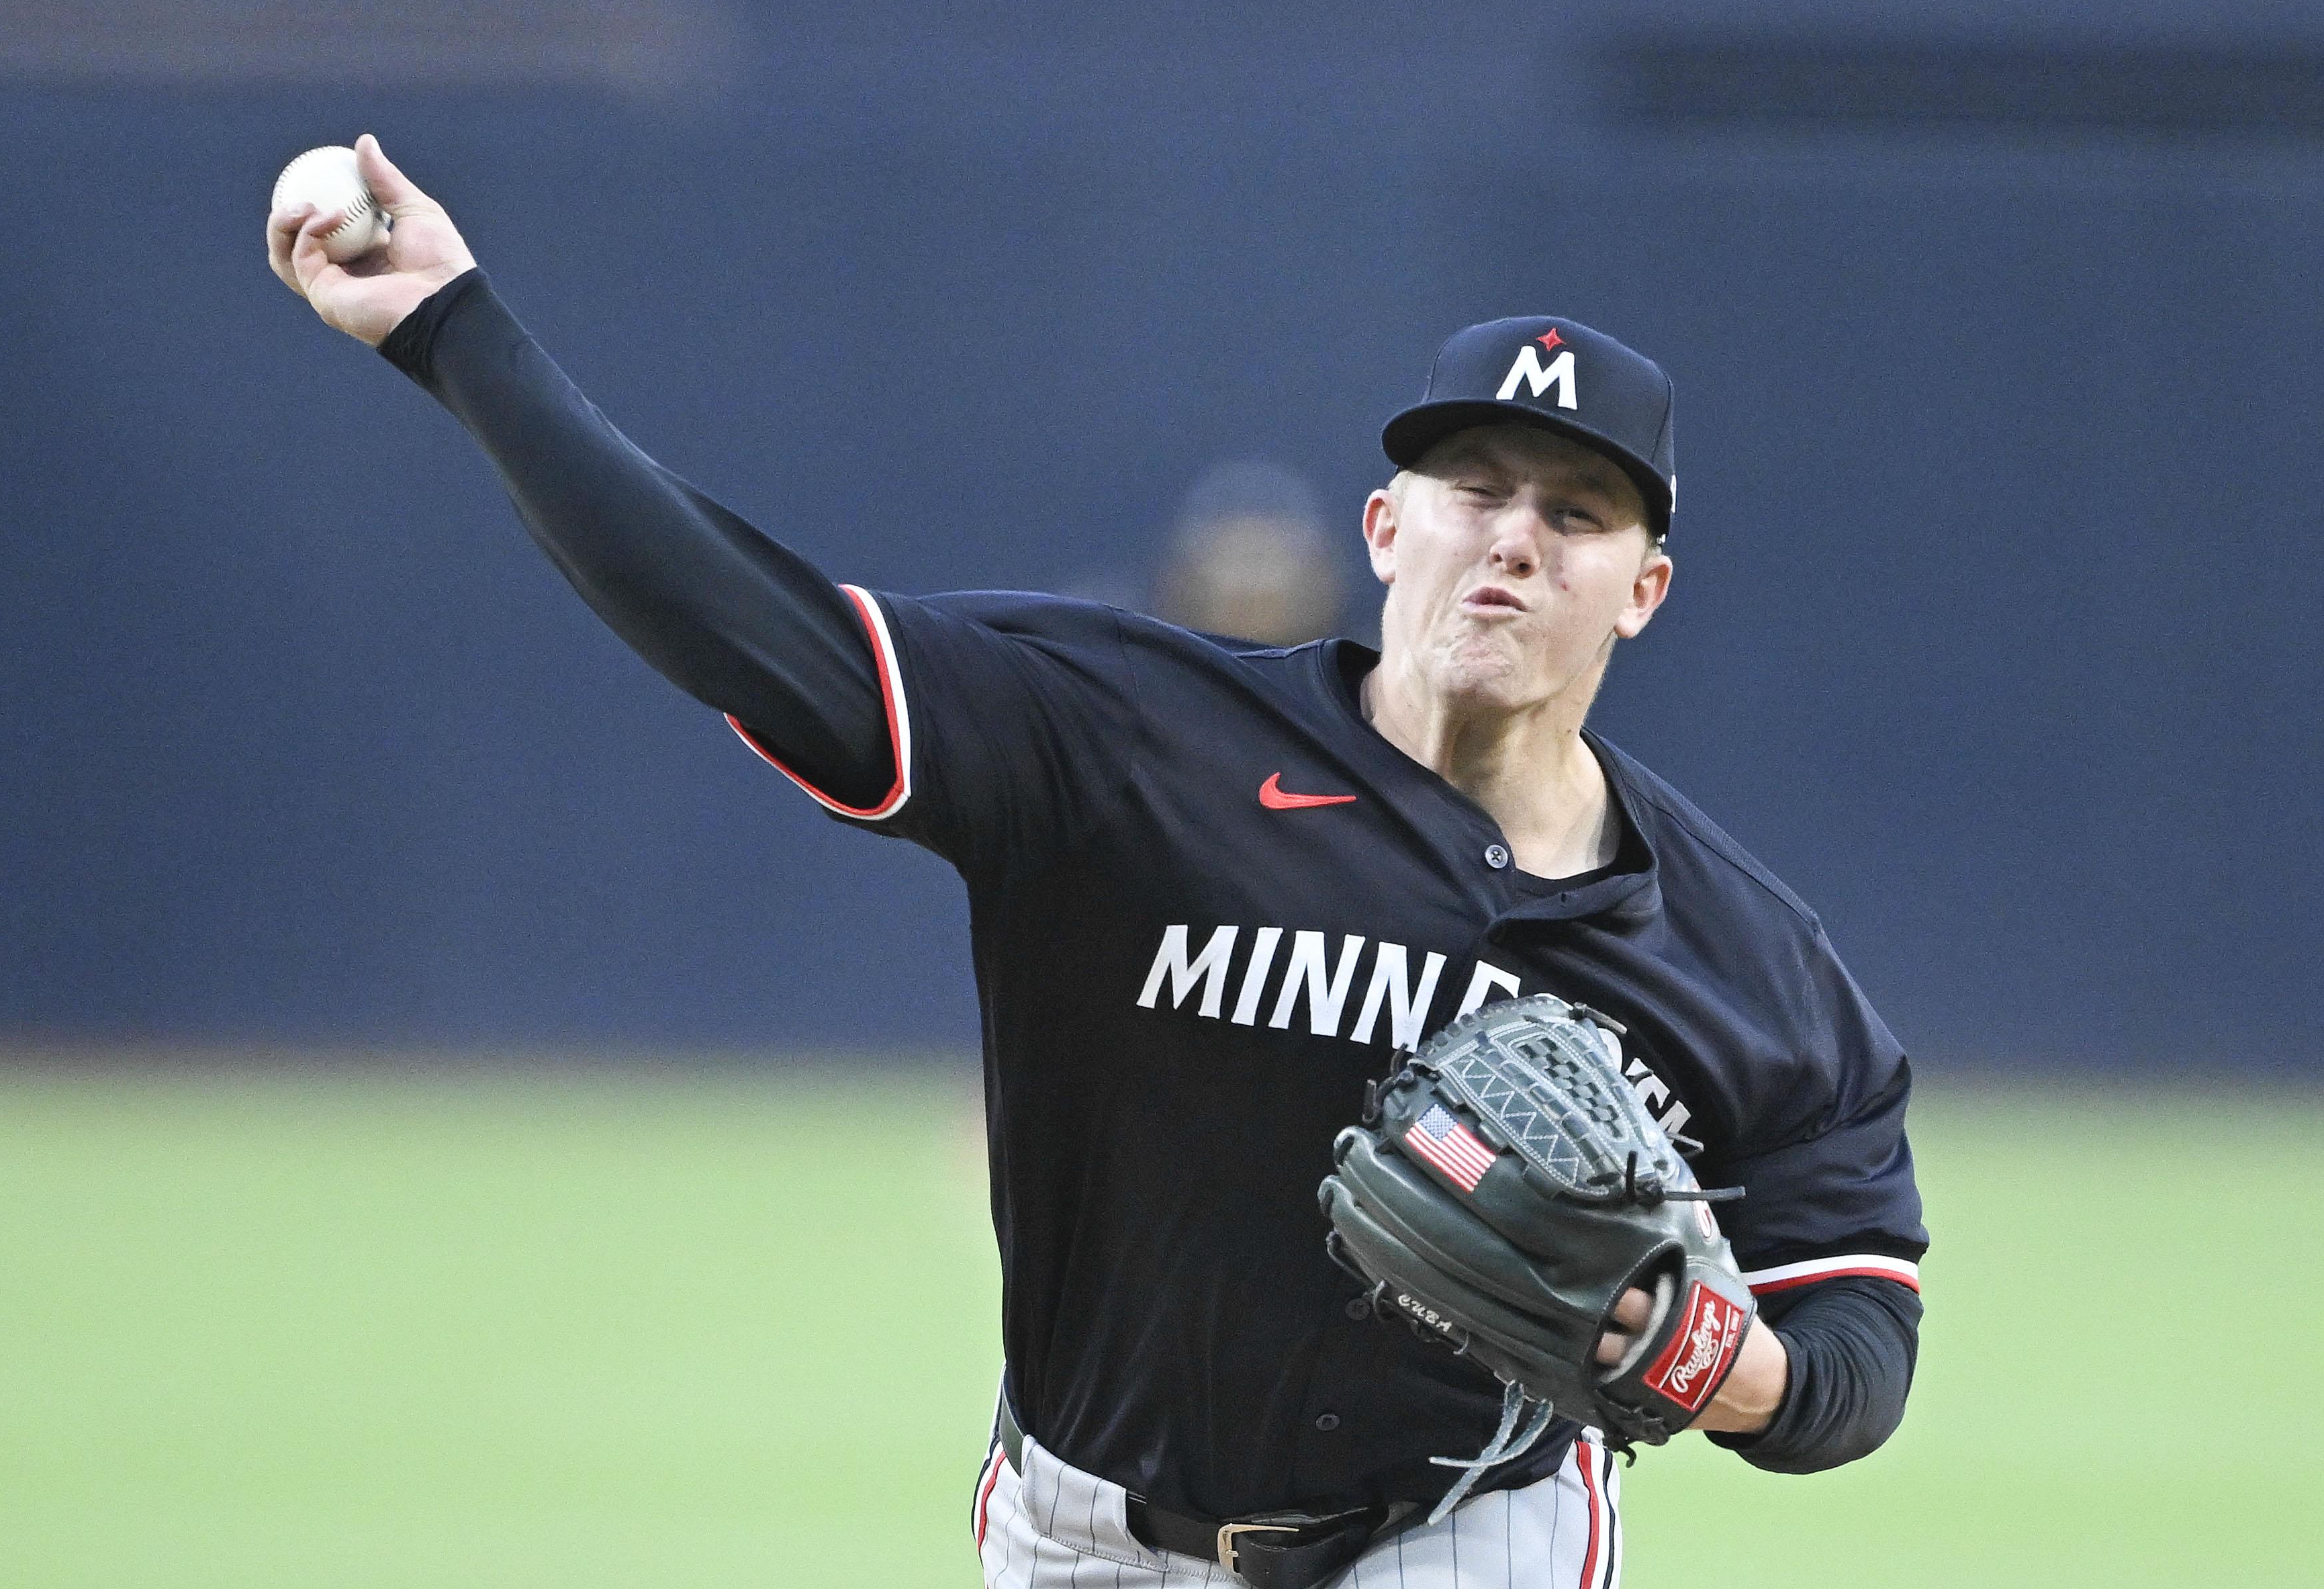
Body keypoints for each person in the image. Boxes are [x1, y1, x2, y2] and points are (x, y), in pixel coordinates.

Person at [270, 136, 1926, 1589]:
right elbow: (741, 623)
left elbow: (1859, 1343)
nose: (1512, 536)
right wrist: (452, 333)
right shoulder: (1130, 740)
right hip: (1084, 1531)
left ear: (1643, 587)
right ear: (1382, 530)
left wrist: (1717, 1361)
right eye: (1473, 487)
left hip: (1463, 1530)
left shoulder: (1736, 952)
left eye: (1576, 514)